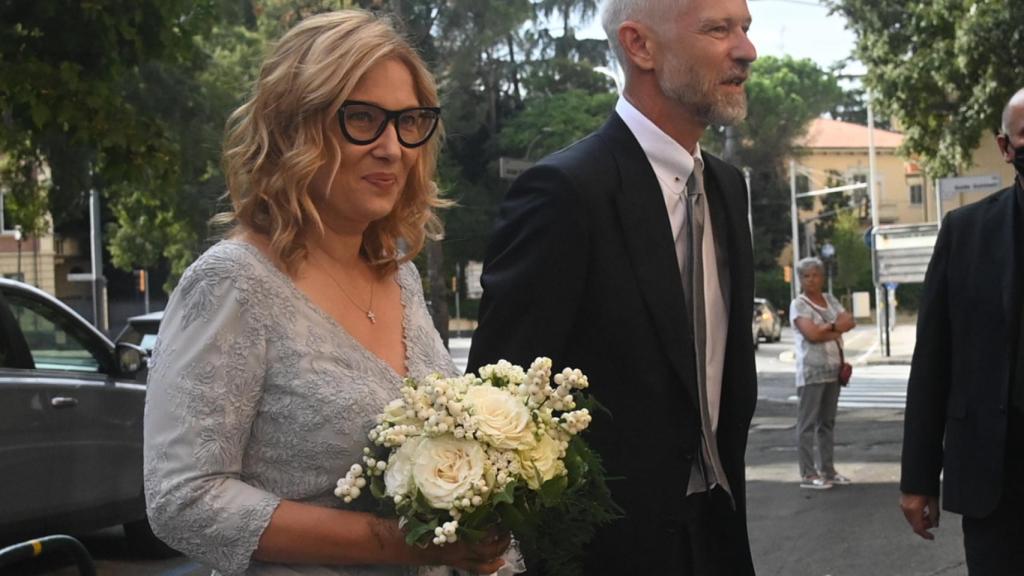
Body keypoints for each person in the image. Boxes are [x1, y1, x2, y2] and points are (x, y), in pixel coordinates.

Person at [143, 10, 509, 575]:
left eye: (410, 121)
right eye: (362, 118)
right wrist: (399, 543)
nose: (392, 147)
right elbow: (184, 500)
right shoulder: (231, 284)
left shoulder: (400, 277)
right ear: (293, 127)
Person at [467, 0, 758, 572]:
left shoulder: (727, 186)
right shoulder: (563, 193)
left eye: (745, 28)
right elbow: (498, 399)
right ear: (639, 45)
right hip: (605, 553)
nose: (746, 50)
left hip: (720, 537)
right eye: (718, 29)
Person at [900, 87, 1024, 574]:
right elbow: (932, 361)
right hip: (996, 479)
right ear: (1005, 146)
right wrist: (917, 477)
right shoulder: (965, 233)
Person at [789, 257, 856, 490]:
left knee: (827, 423)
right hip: (811, 372)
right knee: (807, 424)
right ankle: (808, 473)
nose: (811, 279)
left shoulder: (829, 299)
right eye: (806, 275)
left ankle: (828, 469)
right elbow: (812, 335)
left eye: (815, 274)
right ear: (800, 279)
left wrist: (827, 329)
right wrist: (835, 328)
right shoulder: (799, 305)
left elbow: (850, 321)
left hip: (833, 370)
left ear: (822, 276)